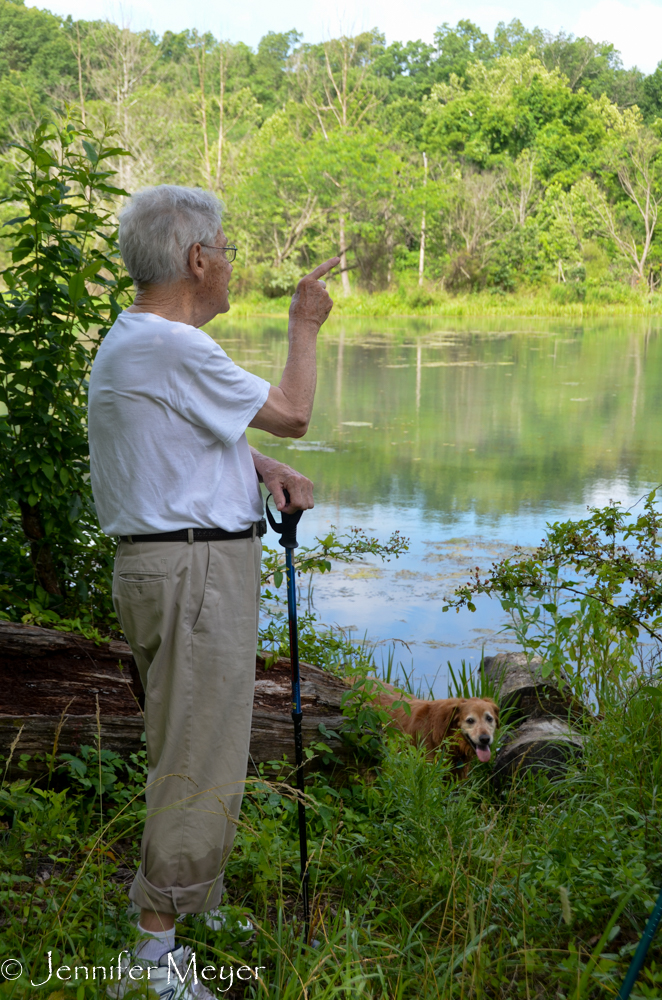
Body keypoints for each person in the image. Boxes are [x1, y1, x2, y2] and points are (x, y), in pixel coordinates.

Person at [87, 185, 339, 998]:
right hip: (194, 571)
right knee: (199, 755)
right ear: (197, 260)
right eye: (225, 248)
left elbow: (176, 440)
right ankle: (153, 957)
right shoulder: (172, 345)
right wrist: (305, 323)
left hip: (173, 565)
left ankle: (188, 899)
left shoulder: (139, 339)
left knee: (193, 743)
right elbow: (293, 411)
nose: (231, 263)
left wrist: (261, 467)